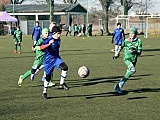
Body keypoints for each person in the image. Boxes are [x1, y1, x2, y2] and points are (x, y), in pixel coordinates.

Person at [41, 26, 69, 99]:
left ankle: (62, 83)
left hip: (56, 58)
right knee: (48, 78)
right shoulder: (49, 39)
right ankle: (44, 92)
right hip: (48, 61)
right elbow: (41, 47)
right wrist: (48, 44)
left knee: (65, 68)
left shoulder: (58, 39)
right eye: (58, 33)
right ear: (54, 33)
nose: (59, 35)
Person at [114, 27, 142, 94]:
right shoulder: (126, 41)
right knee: (133, 70)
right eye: (130, 34)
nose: (131, 35)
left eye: (133, 34)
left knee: (130, 73)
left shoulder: (139, 41)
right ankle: (121, 84)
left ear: (136, 34)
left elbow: (139, 52)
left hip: (134, 59)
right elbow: (121, 47)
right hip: (127, 59)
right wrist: (117, 54)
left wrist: (135, 51)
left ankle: (117, 86)